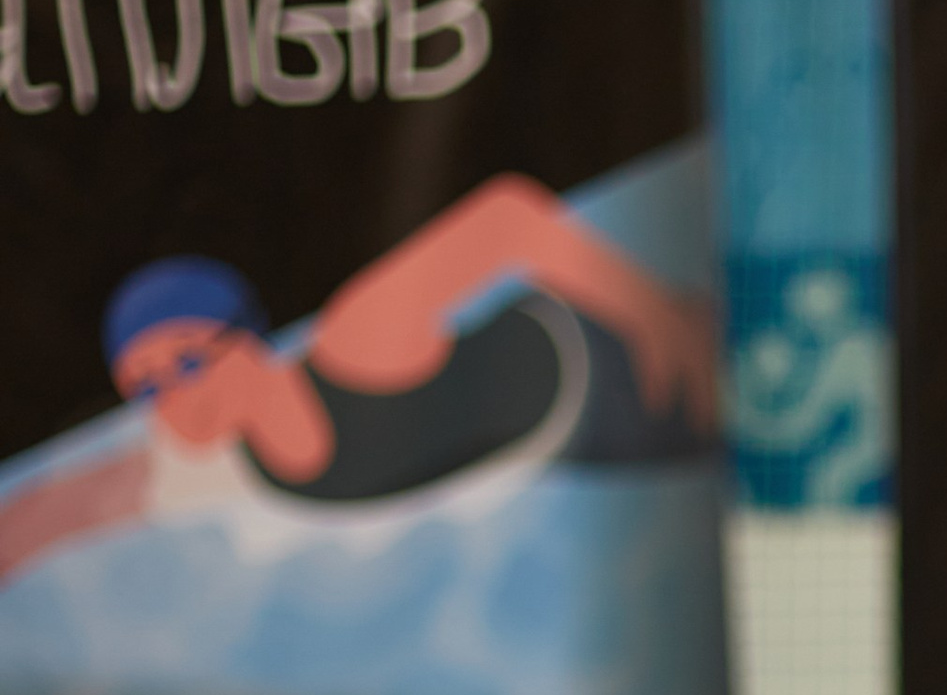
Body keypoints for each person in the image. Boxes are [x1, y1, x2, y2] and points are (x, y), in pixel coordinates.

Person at [0, 170, 719, 592]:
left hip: (625, 350)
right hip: (611, 434)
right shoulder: (224, 470)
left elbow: (509, 217)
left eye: (186, 361)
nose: (174, 396)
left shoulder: (354, 343)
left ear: (249, 342)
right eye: (146, 386)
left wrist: (655, 317)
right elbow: (58, 509)